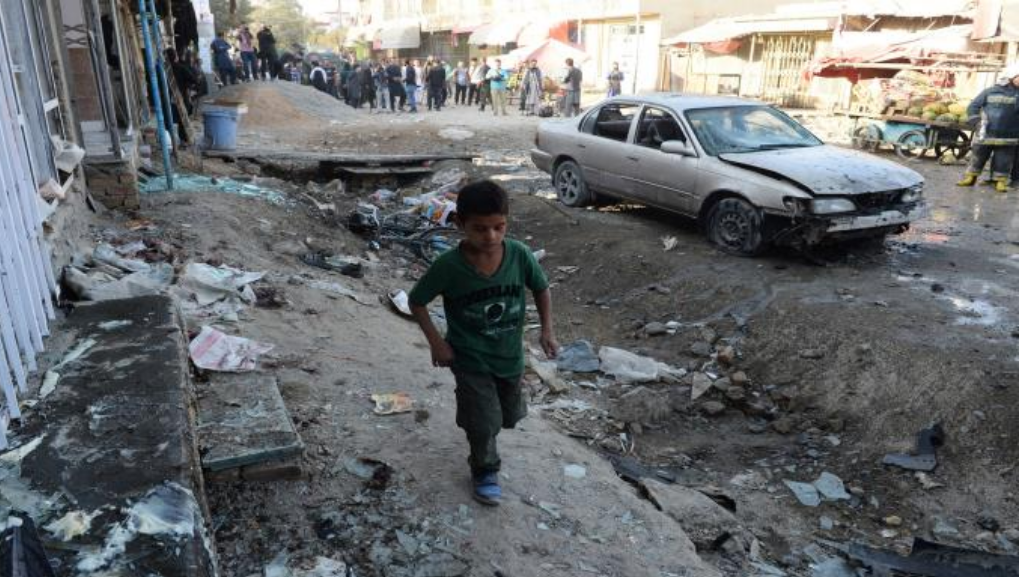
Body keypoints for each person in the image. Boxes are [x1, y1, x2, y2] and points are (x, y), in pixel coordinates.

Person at [408, 180, 559, 507]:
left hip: (509, 356)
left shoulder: (518, 255)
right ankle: (485, 469)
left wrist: (547, 330)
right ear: (459, 224)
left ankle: (482, 424)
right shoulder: (449, 266)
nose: (490, 236)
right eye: (480, 228)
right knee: (483, 421)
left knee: (508, 415)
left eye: (498, 227)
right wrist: (436, 343)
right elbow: (416, 301)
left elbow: (541, 288)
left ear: (507, 222)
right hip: (469, 358)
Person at [958, 65, 1019, 193]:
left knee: (1003, 159)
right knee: (978, 156)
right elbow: (973, 107)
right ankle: (970, 177)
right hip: (986, 132)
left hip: (1009, 135)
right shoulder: (989, 91)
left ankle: (1000, 181)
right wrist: (977, 122)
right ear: (1010, 77)